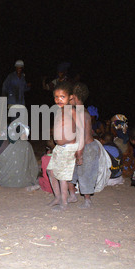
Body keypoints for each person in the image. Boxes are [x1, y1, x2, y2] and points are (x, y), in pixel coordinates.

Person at [69, 82, 112, 209]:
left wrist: (80, 153)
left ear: (75, 97)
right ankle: (72, 195)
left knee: (85, 174)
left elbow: (81, 135)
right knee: (72, 172)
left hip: (86, 147)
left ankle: (87, 201)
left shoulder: (81, 113)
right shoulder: (81, 111)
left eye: (70, 97)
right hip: (83, 146)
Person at [46, 80, 84, 211]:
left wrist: (79, 151)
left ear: (70, 97)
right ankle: (57, 197)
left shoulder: (72, 111)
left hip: (69, 147)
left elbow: (81, 131)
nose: (59, 99)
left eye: (62, 97)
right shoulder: (58, 111)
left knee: (62, 177)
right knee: (50, 171)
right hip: (59, 148)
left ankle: (64, 203)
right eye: (56, 97)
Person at [0, 121, 40, 190]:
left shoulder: (3, 142)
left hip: (3, 181)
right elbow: (33, 165)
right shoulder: (26, 145)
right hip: (23, 182)